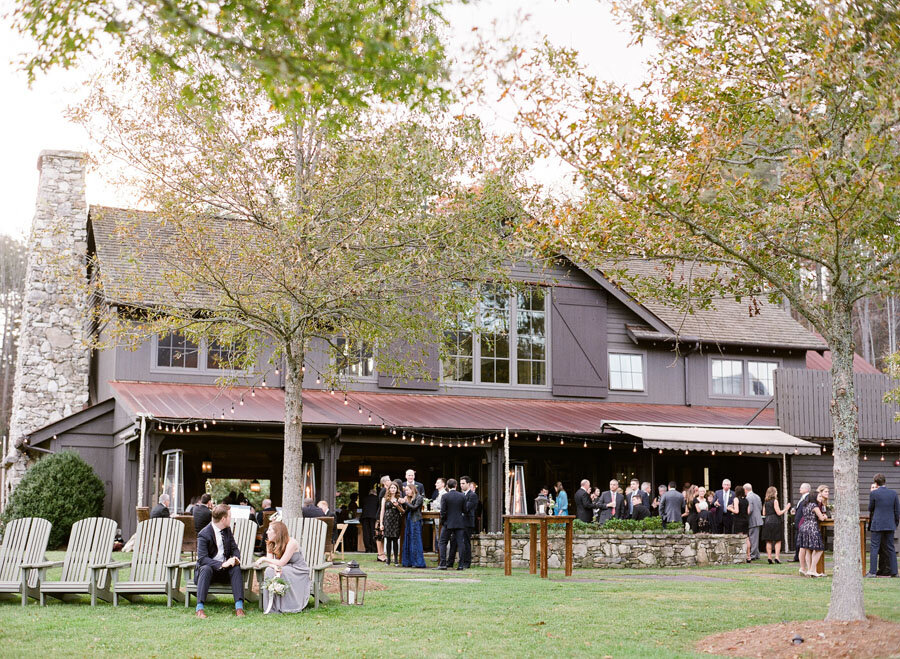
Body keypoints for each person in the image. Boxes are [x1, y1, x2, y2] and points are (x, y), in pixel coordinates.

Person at [194, 504, 245, 618]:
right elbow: (202, 559)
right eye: (230, 516)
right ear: (223, 519)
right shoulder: (204, 534)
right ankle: (200, 609)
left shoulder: (227, 530)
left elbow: (234, 548)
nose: (231, 519)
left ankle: (239, 607)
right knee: (206, 568)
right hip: (208, 573)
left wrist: (235, 558)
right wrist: (222, 564)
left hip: (224, 573)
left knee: (236, 568)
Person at [254, 520, 311, 613]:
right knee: (269, 570)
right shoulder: (270, 543)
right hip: (283, 567)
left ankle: (288, 606)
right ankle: (271, 607)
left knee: (282, 571)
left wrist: (263, 559)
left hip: (297, 570)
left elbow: (281, 562)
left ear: (277, 533)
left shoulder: (291, 543)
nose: (267, 532)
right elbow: (272, 563)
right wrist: (274, 567)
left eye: (269, 530)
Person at [866, 473, 899, 578]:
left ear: (876, 482)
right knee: (891, 548)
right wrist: (895, 523)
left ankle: (872, 572)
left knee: (874, 547)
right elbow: (897, 511)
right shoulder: (893, 493)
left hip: (877, 524)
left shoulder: (874, 494)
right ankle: (894, 572)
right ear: (885, 481)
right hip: (890, 524)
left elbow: (870, 508)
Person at [798, 485, 829, 577]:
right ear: (815, 497)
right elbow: (821, 518)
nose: (821, 498)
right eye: (819, 496)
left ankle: (809, 569)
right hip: (812, 527)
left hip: (804, 527)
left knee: (808, 549)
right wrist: (824, 516)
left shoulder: (805, 505)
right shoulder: (814, 506)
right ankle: (812, 569)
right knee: (819, 549)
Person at [438, 479, 467, 570]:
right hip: (459, 522)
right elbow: (465, 510)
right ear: (456, 485)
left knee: (442, 542)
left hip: (448, 523)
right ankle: (461, 565)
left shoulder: (445, 496)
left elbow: (443, 511)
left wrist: (443, 521)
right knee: (460, 543)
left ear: (447, 486)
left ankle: (443, 563)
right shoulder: (462, 496)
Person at [400, 483, 426, 568]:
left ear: (412, 489)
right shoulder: (409, 498)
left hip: (415, 520)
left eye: (407, 490)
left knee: (415, 540)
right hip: (409, 520)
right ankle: (408, 561)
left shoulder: (419, 497)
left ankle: (417, 562)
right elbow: (406, 511)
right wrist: (401, 504)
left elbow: (414, 508)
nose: (406, 492)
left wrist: (405, 502)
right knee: (408, 540)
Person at [379, 482, 403, 566]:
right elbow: (382, 511)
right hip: (387, 520)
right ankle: (388, 559)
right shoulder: (385, 499)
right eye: (391, 488)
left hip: (396, 520)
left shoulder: (399, 498)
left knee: (395, 540)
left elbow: (402, 511)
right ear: (389, 489)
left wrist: (397, 505)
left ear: (397, 489)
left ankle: (396, 559)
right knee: (388, 540)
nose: (393, 489)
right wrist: (381, 523)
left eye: (394, 488)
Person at [761, 486, 786, 563]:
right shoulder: (775, 501)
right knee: (778, 540)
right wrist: (786, 509)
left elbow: (763, 513)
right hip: (775, 521)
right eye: (776, 491)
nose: (777, 493)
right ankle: (777, 557)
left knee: (769, 541)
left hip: (767, 522)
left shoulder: (766, 502)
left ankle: (769, 557)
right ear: (774, 493)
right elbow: (779, 513)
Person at [460, 476, 478, 569]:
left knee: (466, 542)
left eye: (463, 483)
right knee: (460, 542)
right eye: (460, 483)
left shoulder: (472, 495)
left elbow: (467, 508)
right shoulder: (461, 494)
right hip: (460, 522)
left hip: (467, 522)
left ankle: (467, 562)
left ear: (468, 484)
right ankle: (461, 561)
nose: (461, 485)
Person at [729, 486, 751, 562]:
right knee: (747, 538)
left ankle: (739, 555)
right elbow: (748, 511)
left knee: (738, 537)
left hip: (738, 520)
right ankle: (748, 556)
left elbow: (736, 511)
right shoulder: (746, 500)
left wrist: (730, 508)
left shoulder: (736, 499)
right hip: (745, 520)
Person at [790, 483, 811, 562]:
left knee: (800, 541)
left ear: (806, 489)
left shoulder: (807, 498)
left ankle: (799, 557)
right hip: (798, 522)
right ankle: (797, 556)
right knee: (797, 540)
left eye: (801, 488)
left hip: (802, 523)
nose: (799, 489)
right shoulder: (802, 498)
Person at [375, 475, 391, 562]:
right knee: (379, 535)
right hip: (380, 515)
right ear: (384, 482)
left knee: (382, 535)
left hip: (384, 515)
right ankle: (380, 554)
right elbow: (382, 505)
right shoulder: (384, 490)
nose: (390, 481)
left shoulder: (387, 490)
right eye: (389, 480)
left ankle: (383, 554)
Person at [744, 483, 763, 561]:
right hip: (758, 519)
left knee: (753, 538)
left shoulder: (748, 497)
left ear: (745, 490)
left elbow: (750, 509)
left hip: (752, 520)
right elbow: (760, 507)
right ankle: (757, 554)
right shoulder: (757, 496)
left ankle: (753, 555)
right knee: (755, 538)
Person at [360, 488, 380, 553]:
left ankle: (368, 549)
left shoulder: (365, 498)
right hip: (373, 517)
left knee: (366, 533)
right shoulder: (377, 498)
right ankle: (374, 549)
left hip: (365, 517)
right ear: (375, 493)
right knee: (373, 532)